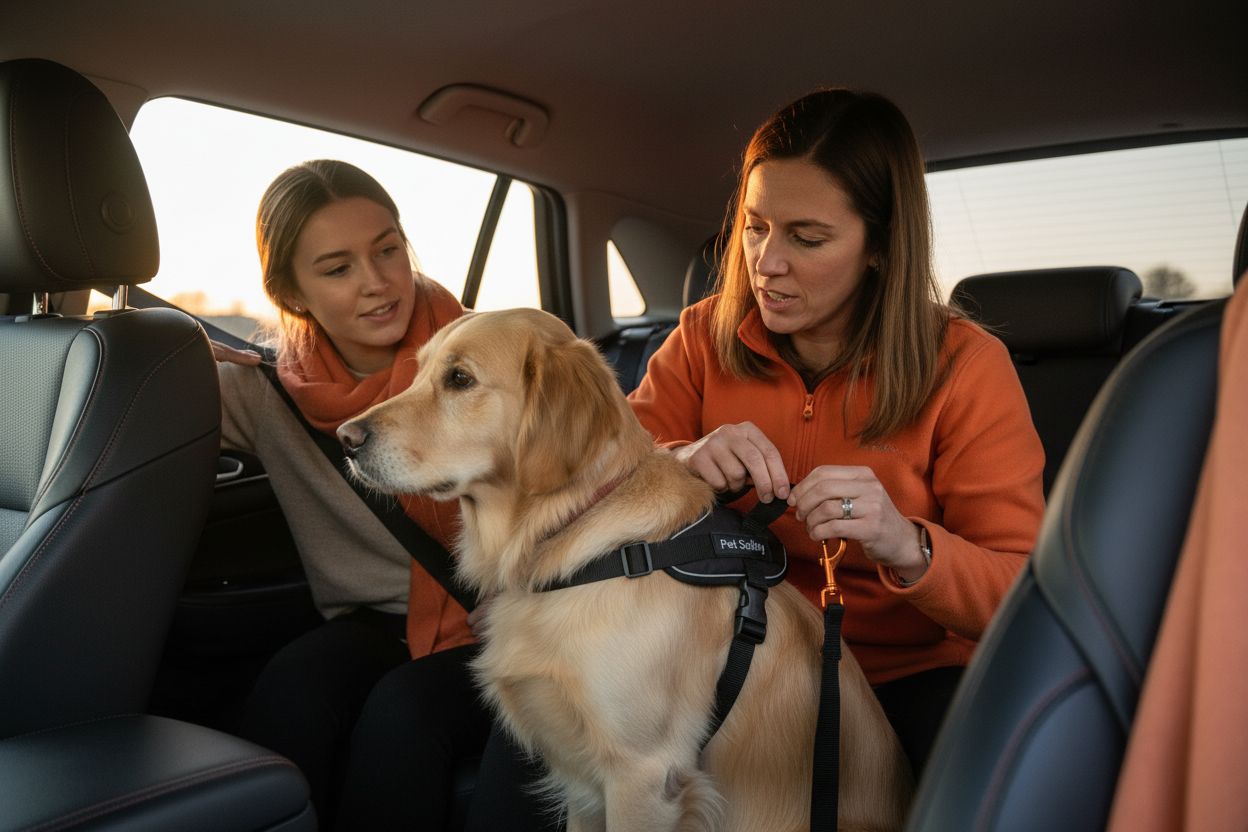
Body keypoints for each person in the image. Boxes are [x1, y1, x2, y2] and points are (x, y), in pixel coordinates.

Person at [628, 87, 1046, 774]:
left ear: (880, 246)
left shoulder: (967, 366)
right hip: (719, 657)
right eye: (756, 227)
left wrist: (906, 543)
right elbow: (598, 482)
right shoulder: (702, 336)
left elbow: (1020, 592)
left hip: (903, 679)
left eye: (807, 237)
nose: (766, 263)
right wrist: (683, 460)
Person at [211, 159, 491, 829]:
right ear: (292, 293)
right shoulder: (263, 389)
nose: (378, 283)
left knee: (405, 714)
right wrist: (161, 350)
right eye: (337, 269)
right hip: (372, 622)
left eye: (388, 249)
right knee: (291, 691)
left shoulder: (488, 357)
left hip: (505, 616)